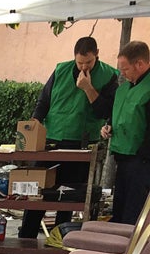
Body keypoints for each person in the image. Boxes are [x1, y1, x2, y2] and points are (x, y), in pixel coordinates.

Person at [18, 36, 119, 240]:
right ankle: (25, 238)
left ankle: (58, 241)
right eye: (79, 62)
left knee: (69, 196)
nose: (83, 67)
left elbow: (105, 112)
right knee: (39, 193)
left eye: (88, 62)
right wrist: (35, 121)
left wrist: (88, 88)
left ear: (97, 54)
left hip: (82, 143)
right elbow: (44, 100)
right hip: (51, 140)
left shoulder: (109, 75)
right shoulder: (61, 70)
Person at [101, 40, 150, 225]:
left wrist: (144, 158)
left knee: (134, 214)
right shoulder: (124, 88)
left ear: (140, 64)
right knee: (120, 209)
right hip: (122, 156)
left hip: (142, 160)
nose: (122, 73)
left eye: (126, 69)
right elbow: (120, 114)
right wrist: (108, 126)